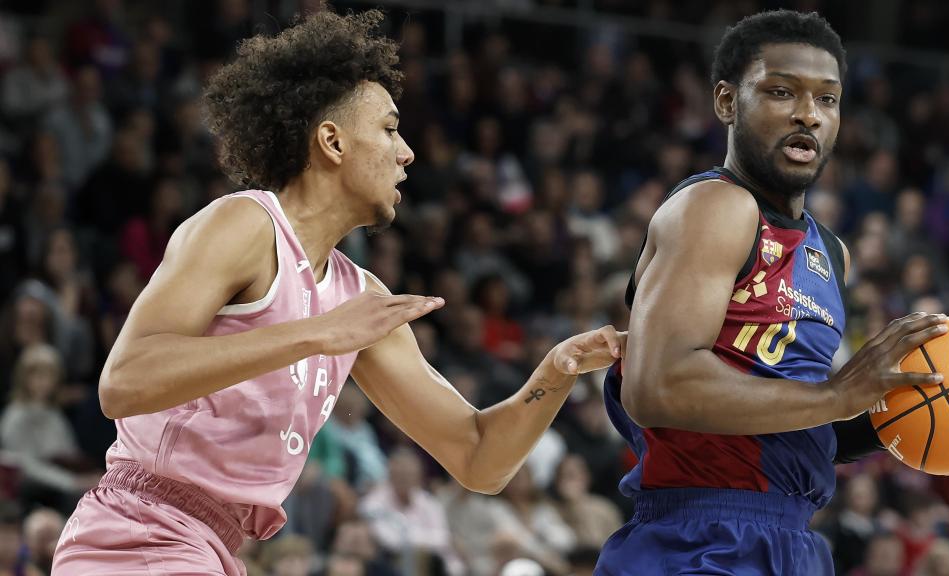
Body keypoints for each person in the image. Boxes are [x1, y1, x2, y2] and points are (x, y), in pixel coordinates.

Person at [51, 10, 625, 575]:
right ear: (332, 141)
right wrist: (316, 334)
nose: (408, 154)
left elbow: (479, 459)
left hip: (215, 547)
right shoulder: (245, 224)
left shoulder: (359, 295)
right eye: (390, 128)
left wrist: (555, 372)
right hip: (141, 529)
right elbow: (124, 381)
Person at [596, 10, 949, 575]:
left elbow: (791, 426)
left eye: (828, 99)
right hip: (697, 540)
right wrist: (837, 396)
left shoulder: (830, 253)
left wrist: (929, 419)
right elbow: (657, 385)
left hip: (791, 540)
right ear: (726, 102)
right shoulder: (714, 208)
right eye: (781, 91)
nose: (808, 115)